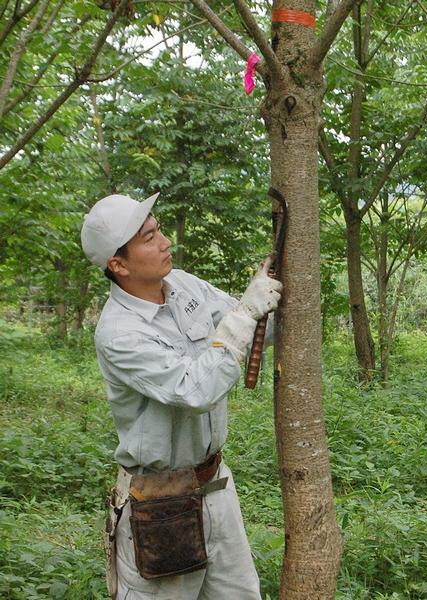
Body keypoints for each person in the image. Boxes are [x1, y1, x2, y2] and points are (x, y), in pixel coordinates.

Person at [81, 192, 282, 600]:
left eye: (158, 229)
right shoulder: (120, 333)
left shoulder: (184, 285)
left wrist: (273, 294)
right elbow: (197, 389)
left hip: (216, 488)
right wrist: (246, 313)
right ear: (118, 265)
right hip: (160, 504)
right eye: (149, 237)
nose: (164, 242)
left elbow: (259, 328)